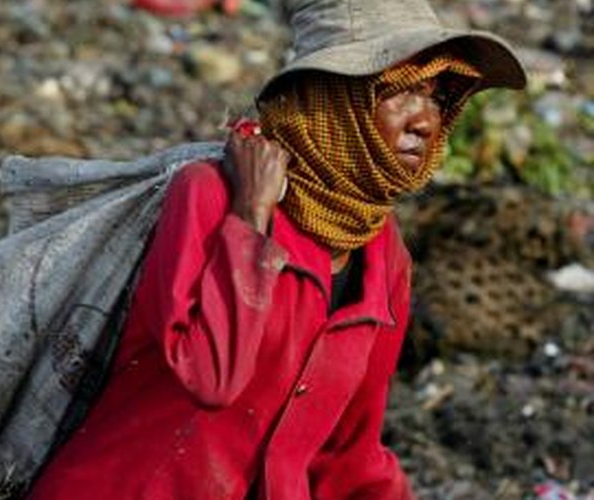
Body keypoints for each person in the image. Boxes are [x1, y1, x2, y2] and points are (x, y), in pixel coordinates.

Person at [28, 0, 526, 498]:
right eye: (401, 93)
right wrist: (250, 218)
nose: (425, 120)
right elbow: (210, 378)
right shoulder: (211, 196)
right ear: (335, 97)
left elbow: (349, 452)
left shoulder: (383, 252)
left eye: (437, 96)